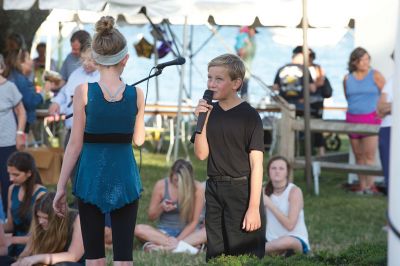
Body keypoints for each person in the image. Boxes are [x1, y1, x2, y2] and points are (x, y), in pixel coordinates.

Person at [53, 16, 145, 265]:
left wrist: (61, 187)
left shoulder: (83, 91)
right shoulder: (137, 93)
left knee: (94, 257)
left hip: (90, 177)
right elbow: (138, 140)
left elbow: (75, 144)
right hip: (125, 178)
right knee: (124, 257)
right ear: (125, 59)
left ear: (95, 58)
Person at [194, 53, 265, 261]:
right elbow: (200, 154)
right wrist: (202, 120)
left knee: (242, 251)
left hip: (241, 191)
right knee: (216, 251)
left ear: (236, 83)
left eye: (218, 79)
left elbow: (257, 164)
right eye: (209, 78)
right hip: (214, 189)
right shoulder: (209, 112)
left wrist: (253, 207)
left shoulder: (249, 116)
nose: (211, 84)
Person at [134, 159, 205, 250]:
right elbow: (151, 217)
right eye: (175, 180)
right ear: (171, 174)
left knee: (208, 232)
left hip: (187, 233)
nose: (178, 184)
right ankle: (186, 247)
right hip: (164, 232)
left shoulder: (198, 188)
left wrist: (177, 240)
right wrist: (161, 207)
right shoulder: (161, 185)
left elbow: (194, 222)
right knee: (138, 229)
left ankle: (164, 247)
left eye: (181, 182)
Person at [343, 47, 385, 194]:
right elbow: (348, 97)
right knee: (358, 155)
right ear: (355, 62)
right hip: (352, 119)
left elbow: (386, 94)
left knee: (369, 155)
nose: (367, 62)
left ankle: (371, 185)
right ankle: (362, 186)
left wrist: (380, 111)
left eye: (368, 59)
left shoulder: (376, 75)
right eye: (363, 59)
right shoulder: (347, 78)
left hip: (370, 119)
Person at [48, 40, 100, 148]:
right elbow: (65, 92)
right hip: (72, 130)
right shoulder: (76, 73)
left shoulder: (103, 76)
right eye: (83, 59)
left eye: (90, 60)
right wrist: (56, 103)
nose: (86, 63)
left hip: (94, 132)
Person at [12, 192, 84, 266]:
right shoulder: (39, 226)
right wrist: (20, 262)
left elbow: (74, 256)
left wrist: (38, 258)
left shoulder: (77, 219)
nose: (40, 221)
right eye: (39, 216)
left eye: (45, 218)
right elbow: (27, 251)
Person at [264, 156, 310, 256]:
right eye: (273, 168)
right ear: (268, 171)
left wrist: (269, 204)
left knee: (287, 241)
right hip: (271, 240)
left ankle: (254, 250)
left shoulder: (294, 191)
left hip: (294, 240)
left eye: (281, 168)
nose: (277, 171)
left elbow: (290, 225)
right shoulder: (263, 191)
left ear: (287, 172)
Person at [4, 151, 47, 257]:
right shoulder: (12, 189)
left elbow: (41, 234)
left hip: (34, 248)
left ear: (29, 173)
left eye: (16, 174)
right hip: (13, 245)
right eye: (9, 173)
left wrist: (12, 240)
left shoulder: (41, 194)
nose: (11, 178)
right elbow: (10, 225)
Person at [0, 54, 26, 215]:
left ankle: (9, 219)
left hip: (7, 141)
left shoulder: (9, 87)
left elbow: (21, 112)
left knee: (7, 181)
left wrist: (19, 134)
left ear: (1, 68)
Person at [4, 49, 44, 137]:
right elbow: (30, 101)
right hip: (19, 124)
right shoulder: (20, 79)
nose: (31, 61)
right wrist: (43, 94)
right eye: (28, 58)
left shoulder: (12, 76)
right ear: (21, 62)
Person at [273, 46, 316, 116]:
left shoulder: (281, 69)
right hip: (300, 103)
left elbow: (275, 87)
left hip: (284, 103)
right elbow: (312, 88)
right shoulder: (304, 69)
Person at [308, 48, 330, 156]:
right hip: (309, 100)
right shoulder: (304, 68)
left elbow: (320, 82)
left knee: (317, 126)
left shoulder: (317, 68)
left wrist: (309, 86)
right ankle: (316, 150)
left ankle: (321, 151)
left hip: (316, 101)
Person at [377, 72, 395, 195]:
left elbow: (385, 107)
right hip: (387, 128)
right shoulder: (393, 79)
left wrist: (390, 106)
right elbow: (380, 109)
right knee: (389, 172)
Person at [234, 26, 257, 101]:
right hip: (242, 72)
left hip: (244, 72)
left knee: (242, 93)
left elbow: (241, 53)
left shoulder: (250, 42)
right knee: (240, 92)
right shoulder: (249, 40)